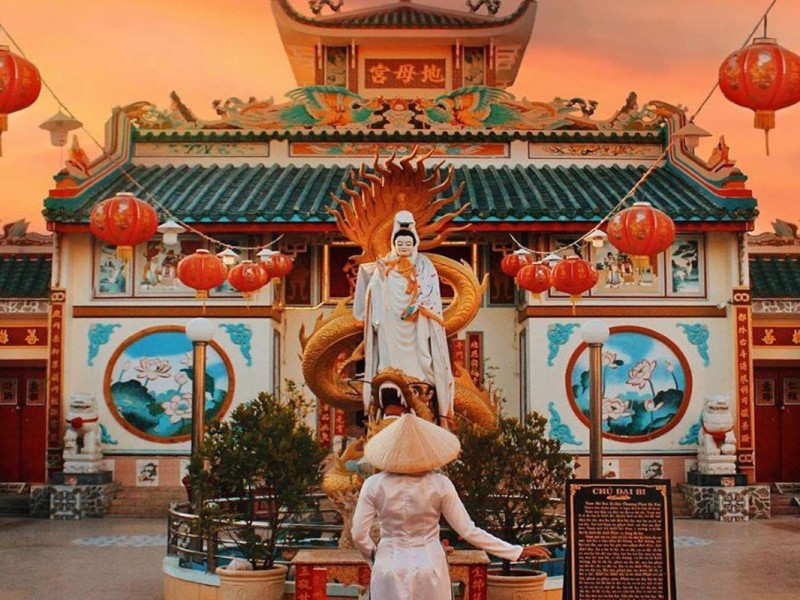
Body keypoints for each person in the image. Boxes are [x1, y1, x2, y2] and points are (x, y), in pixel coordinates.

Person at [352, 414, 550, 599]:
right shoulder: (440, 484)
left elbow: (359, 535)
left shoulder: (374, 484)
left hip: (389, 564)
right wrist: (514, 551)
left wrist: (376, 557)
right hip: (430, 565)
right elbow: (468, 530)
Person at [354, 211, 453, 426]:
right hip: (391, 320)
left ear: (415, 241)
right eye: (401, 243)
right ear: (393, 242)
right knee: (388, 348)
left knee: (421, 353)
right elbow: (374, 292)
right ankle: (390, 371)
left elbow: (431, 292)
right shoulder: (386, 264)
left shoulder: (424, 265)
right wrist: (380, 276)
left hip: (416, 322)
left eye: (409, 242)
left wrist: (418, 305)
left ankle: (418, 380)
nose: (405, 246)